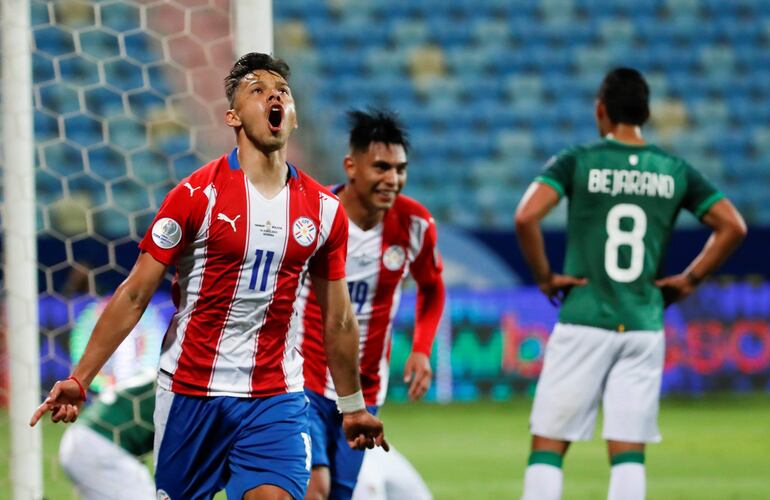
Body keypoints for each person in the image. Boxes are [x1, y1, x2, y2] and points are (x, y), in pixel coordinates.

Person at [31, 52, 387, 500]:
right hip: (191, 393)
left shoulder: (323, 211)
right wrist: (80, 378)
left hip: (274, 395)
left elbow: (338, 318)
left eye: (283, 91)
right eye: (257, 90)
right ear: (233, 117)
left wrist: (352, 406)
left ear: (292, 116)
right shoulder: (195, 196)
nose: (274, 95)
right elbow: (135, 294)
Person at [514, 67, 747, 500]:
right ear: (647, 113)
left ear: (600, 111)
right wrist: (690, 279)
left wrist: (545, 277)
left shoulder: (577, 160)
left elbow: (526, 215)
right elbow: (732, 226)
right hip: (642, 322)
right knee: (627, 450)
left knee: (549, 441)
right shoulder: (674, 170)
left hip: (585, 316)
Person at [297, 109, 445, 500]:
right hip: (302, 379)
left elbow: (432, 287)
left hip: (365, 391)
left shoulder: (415, 224)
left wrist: (421, 350)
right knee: (315, 488)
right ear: (351, 166)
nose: (392, 179)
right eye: (381, 167)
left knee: (340, 495)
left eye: (400, 169)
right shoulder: (315, 214)